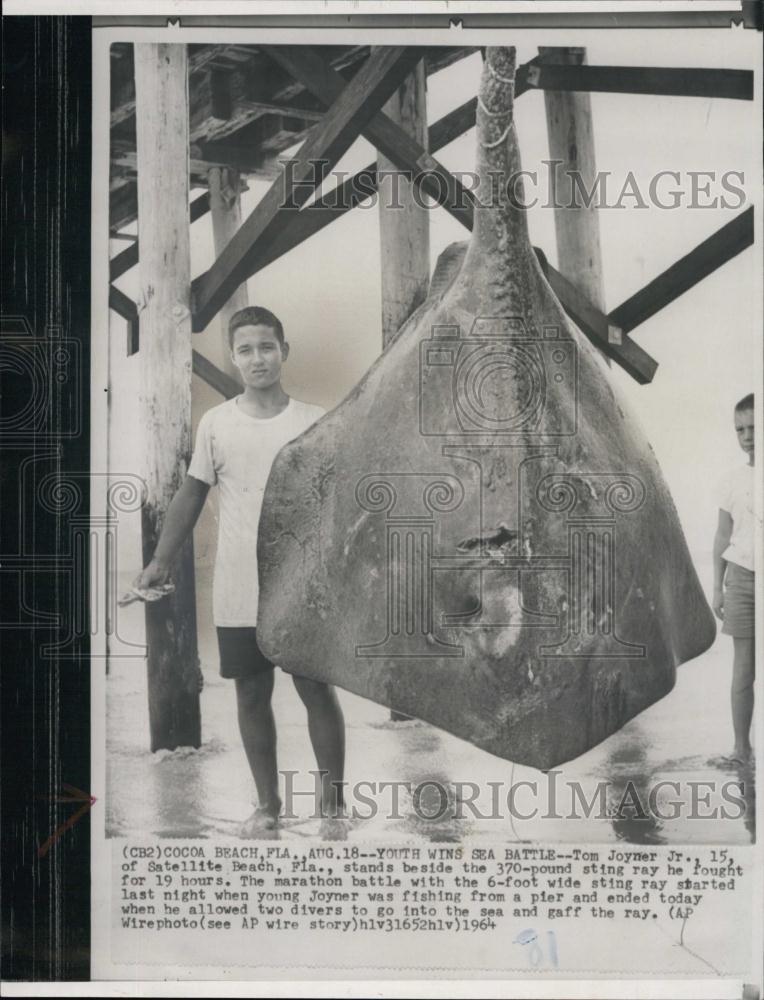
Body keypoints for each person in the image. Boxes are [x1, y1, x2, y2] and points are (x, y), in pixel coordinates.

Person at [134, 305, 346, 837]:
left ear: (284, 352)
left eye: (267, 347)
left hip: (301, 586)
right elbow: (191, 493)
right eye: (246, 349)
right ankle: (268, 807)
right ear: (233, 357)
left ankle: (333, 807)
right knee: (251, 694)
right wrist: (160, 560)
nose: (258, 358)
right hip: (236, 587)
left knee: (316, 691)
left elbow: (340, 503)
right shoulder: (217, 423)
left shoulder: (312, 419)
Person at [712, 392, 756, 765]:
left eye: (755, 427)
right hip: (741, 579)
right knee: (743, 670)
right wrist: (717, 587)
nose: (748, 435)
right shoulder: (732, 480)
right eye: (740, 428)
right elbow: (722, 537)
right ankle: (741, 750)